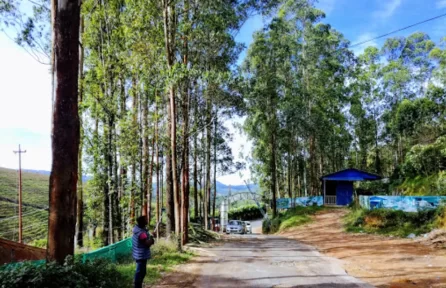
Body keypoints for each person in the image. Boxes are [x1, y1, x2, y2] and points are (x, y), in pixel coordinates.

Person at [132, 216, 154, 288]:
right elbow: (147, 243)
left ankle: (139, 285)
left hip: (139, 254)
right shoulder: (141, 233)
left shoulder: (138, 228)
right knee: (140, 272)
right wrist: (152, 239)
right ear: (142, 222)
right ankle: (137, 286)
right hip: (141, 255)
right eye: (146, 220)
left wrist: (150, 235)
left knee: (142, 272)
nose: (147, 220)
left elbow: (146, 234)